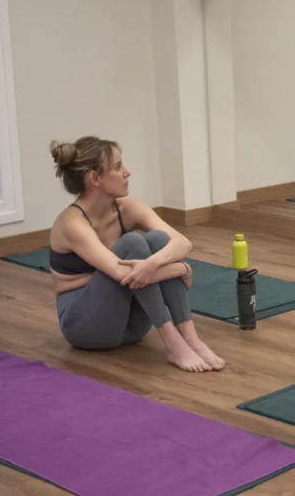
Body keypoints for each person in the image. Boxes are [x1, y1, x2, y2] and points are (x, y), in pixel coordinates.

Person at [48, 136, 225, 372]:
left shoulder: (129, 209)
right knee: (132, 243)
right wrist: (181, 268)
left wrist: (155, 261)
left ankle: (190, 337)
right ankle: (172, 342)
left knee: (158, 241)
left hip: (131, 328)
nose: (127, 172)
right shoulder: (72, 223)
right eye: (118, 167)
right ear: (95, 178)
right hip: (85, 327)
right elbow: (123, 274)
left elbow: (181, 242)